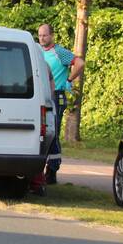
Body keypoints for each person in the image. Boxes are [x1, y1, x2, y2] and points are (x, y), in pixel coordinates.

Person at [36, 24, 84, 185]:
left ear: (52, 35)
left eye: (45, 35)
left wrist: (68, 80)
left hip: (56, 95)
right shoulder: (37, 51)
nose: (42, 38)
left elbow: (80, 63)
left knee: (53, 131)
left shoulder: (60, 52)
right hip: (41, 95)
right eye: (40, 35)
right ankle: (40, 169)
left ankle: (52, 169)